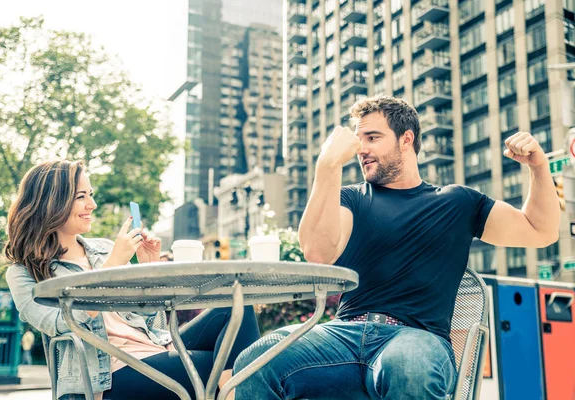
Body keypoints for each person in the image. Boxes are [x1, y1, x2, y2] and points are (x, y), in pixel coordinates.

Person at [233, 96, 560, 399]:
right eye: (358, 140)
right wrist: (327, 165)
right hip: (342, 336)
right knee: (255, 361)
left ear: (406, 139)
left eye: (372, 137)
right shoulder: (351, 199)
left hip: (416, 339)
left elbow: (539, 231)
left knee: (406, 368)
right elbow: (318, 252)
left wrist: (538, 167)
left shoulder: (456, 202)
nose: (361, 149)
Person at [5, 160, 260, 400]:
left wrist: (149, 269)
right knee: (231, 366)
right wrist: (113, 265)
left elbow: (152, 320)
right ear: (51, 203)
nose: (91, 204)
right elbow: (62, 324)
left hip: (154, 350)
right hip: (107, 376)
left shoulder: (104, 249)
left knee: (237, 305)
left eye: (91, 194)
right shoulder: (23, 272)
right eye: (81, 197)